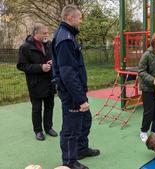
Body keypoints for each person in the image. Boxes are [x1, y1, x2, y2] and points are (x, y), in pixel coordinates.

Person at [52, 5, 100, 169]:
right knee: (71, 128)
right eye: (79, 18)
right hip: (71, 94)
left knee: (85, 120)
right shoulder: (65, 39)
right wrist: (80, 99)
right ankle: (69, 161)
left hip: (77, 90)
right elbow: (67, 74)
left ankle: (81, 149)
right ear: (70, 18)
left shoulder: (68, 36)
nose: (81, 21)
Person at [17, 23, 57, 141]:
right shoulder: (25, 47)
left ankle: (48, 128)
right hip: (35, 83)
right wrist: (40, 67)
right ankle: (38, 131)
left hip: (50, 82)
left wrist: (52, 62)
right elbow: (21, 65)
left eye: (47, 33)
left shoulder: (49, 45)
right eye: (44, 33)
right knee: (37, 108)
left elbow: (53, 58)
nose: (47, 35)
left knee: (50, 106)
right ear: (36, 33)